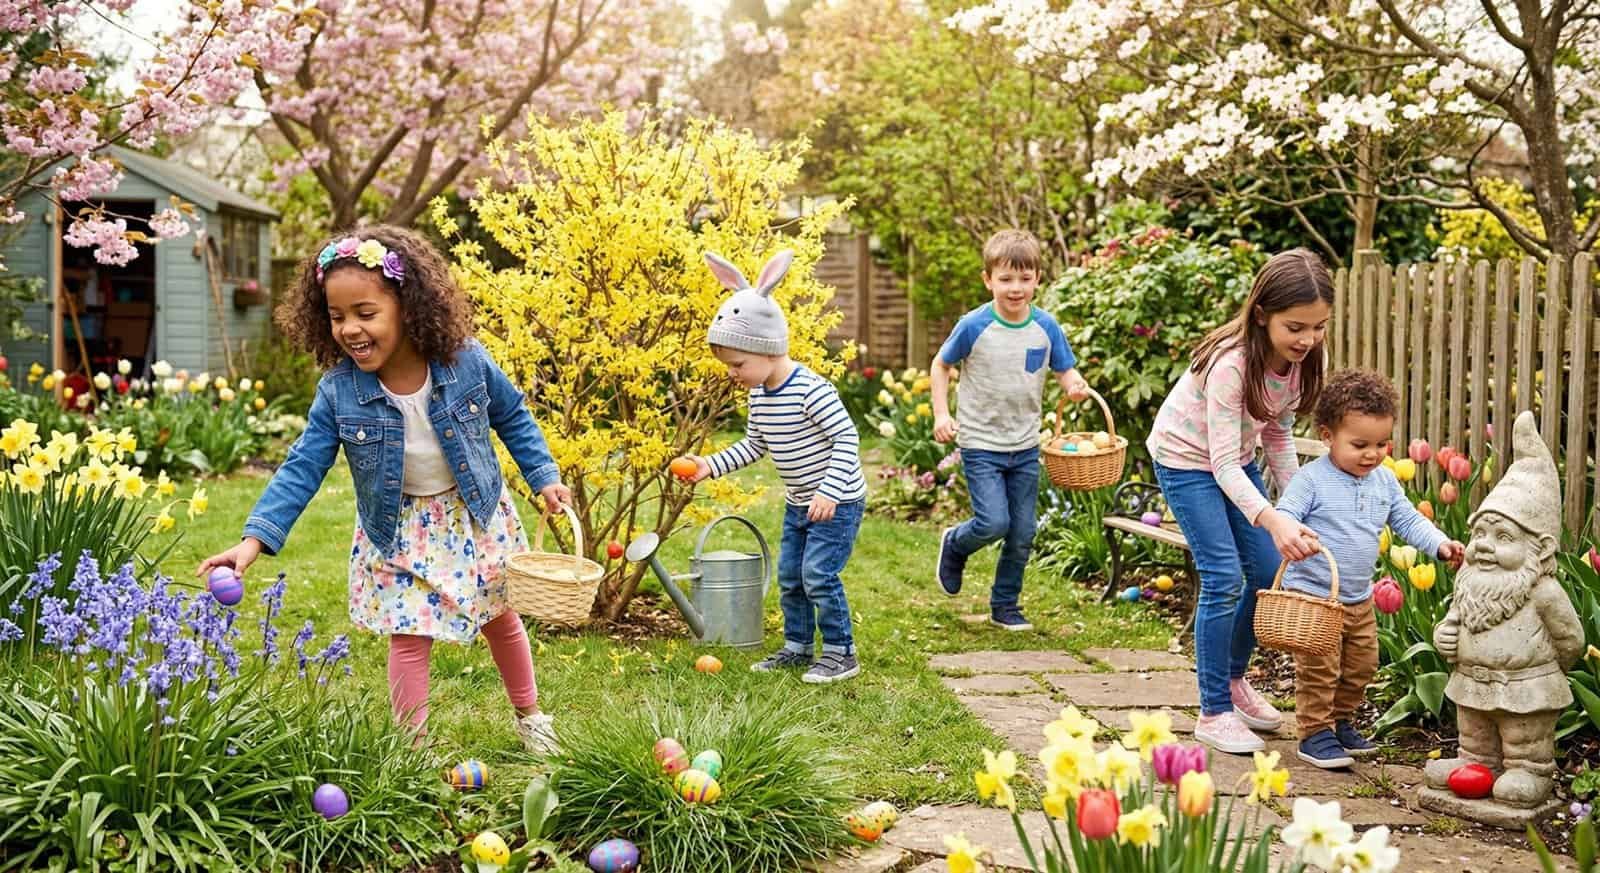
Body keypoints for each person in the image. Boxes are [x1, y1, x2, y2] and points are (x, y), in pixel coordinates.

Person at [195, 225, 569, 752]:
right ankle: (409, 752)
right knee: (408, 633)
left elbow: (512, 415)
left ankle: (531, 717)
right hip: (397, 528)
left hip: (473, 516)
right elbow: (302, 466)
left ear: (408, 307)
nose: (350, 328)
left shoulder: (465, 362)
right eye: (337, 316)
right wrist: (253, 540)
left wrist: (545, 478)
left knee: (500, 618)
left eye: (365, 314)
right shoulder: (339, 393)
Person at [1147, 247, 1331, 754]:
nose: (1309, 339)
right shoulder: (1232, 364)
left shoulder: (1301, 360)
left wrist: (1295, 505)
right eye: (1296, 327)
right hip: (1187, 462)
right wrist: (1272, 517)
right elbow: (1223, 465)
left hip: (1232, 460)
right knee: (1224, 576)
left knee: (1267, 569)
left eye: (1318, 327)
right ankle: (1213, 711)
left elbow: (1276, 432)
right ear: (1262, 314)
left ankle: (1232, 681)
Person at [677, 250, 867, 683]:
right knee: (790, 577)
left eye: (738, 364)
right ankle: (798, 647)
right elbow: (754, 445)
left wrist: (830, 491)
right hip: (801, 502)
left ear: (767, 349)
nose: (732, 374)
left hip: (837, 502)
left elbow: (847, 438)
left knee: (818, 574)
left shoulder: (810, 390)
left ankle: (841, 651)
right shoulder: (760, 395)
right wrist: (710, 465)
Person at [1275, 369, 1464, 768]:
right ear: (1327, 436)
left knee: (1361, 667)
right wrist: (1296, 535)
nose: (1372, 454)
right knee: (1319, 670)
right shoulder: (1311, 480)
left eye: (1381, 444)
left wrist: (1440, 544)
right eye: (1359, 444)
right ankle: (1314, 733)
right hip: (1315, 597)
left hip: (1359, 599)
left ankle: (1341, 722)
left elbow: (1408, 520)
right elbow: (1285, 514)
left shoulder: (1384, 481)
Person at [930, 229, 1088, 631]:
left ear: (1037, 278)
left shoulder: (1046, 326)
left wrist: (1073, 384)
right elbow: (941, 365)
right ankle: (955, 544)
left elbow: (1064, 367)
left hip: (1024, 443)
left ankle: (1005, 604)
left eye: (1024, 278)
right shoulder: (974, 324)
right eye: (1005, 279)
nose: (1015, 288)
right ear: (988, 280)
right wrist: (942, 414)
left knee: (1022, 532)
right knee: (993, 523)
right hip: (981, 442)